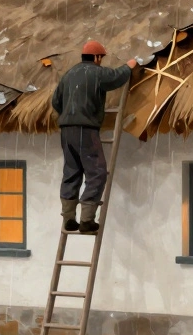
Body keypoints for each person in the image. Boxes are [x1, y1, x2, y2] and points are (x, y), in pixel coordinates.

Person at [51, 40, 138, 233]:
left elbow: (55, 101)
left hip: (66, 130)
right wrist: (129, 66)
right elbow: (115, 77)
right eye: (101, 58)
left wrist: (69, 114)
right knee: (97, 172)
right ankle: (87, 220)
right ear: (97, 57)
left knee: (71, 171)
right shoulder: (97, 73)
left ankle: (68, 219)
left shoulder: (69, 75)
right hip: (85, 129)